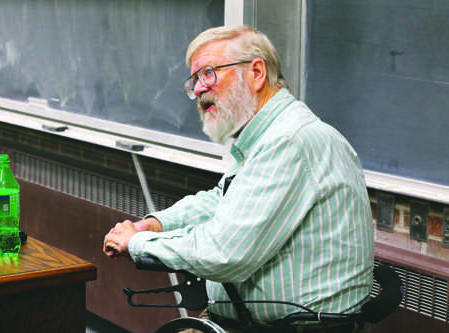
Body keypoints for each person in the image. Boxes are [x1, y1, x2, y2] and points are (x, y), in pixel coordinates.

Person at [103, 25, 374, 333]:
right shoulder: (267, 136)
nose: (200, 89)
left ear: (256, 73)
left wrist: (139, 242)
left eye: (208, 73)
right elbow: (221, 198)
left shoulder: (290, 141)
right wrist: (153, 225)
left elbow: (225, 253)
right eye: (195, 81)